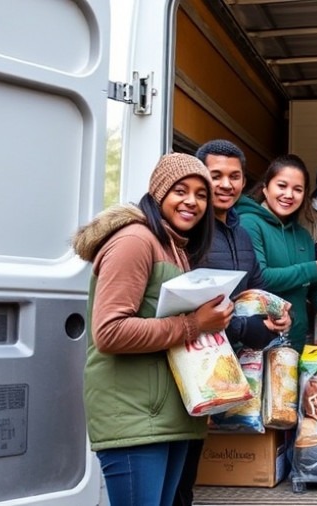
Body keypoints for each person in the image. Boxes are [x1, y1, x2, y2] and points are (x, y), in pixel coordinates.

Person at [72, 153, 234, 506]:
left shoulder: (174, 246)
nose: (192, 201)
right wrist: (194, 324)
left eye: (201, 194)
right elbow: (110, 332)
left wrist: (216, 318)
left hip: (168, 413)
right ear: (159, 192)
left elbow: (168, 322)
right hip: (133, 416)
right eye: (180, 190)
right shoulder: (134, 240)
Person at [173, 140, 292, 506]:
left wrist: (275, 313)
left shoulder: (239, 231)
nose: (226, 184)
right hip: (191, 362)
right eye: (216, 175)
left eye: (235, 176)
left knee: (188, 472)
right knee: (177, 466)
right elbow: (187, 305)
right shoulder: (187, 231)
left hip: (228, 360)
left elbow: (255, 283)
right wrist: (244, 329)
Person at [237, 154, 317, 353]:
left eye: (297, 189)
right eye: (282, 186)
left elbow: (314, 287)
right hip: (256, 348)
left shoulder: (303, 236)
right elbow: (260, 279)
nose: (289, 195)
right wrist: (315, 267)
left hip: (294, 345)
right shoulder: (249, 223)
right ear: (266, 188)